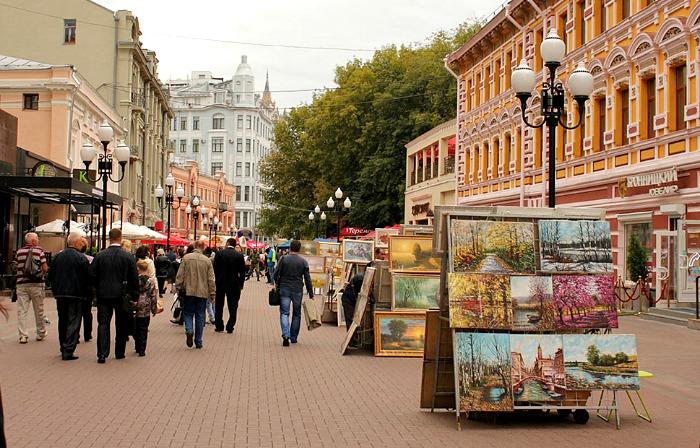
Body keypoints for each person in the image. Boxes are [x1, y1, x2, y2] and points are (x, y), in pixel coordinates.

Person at [90, 228, 139, 363]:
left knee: (103, 323)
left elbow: (92, 275)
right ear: (120, 238)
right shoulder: (128, 256)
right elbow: (134, 278)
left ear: (109, 238)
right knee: (121, 323)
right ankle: (119, 352)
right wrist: (134, 296)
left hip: (103, 294)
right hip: (122, 295)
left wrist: (96, 290)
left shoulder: (100, 255)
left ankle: (102, 353)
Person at [48, 232, 92, 361]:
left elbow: (50, 275)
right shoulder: (81, 258)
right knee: (74, 321)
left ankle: (63, 346)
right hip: (76, 294)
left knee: (63, 320)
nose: (82, 244)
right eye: (81, 242)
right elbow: (88, 277)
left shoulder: (58, 257)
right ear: (77, 243)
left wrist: (56, 288)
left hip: (60, 294)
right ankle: (68, 349)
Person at [175, 239, 216, 349]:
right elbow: (211, 279)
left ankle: (189, 330)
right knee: (200, 315)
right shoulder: (207, 261)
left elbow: (180, 275)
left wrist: (178, 287)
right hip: (202, 292)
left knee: (188, 313)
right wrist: (212, 293)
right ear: (203, 248)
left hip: (188, 291)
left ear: (194, 247)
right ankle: (198, 340)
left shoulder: (186, 258)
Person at [273, 240, 314, 347]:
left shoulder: (283, 259)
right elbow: (307, 279)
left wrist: (277, 284)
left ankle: (285, 335)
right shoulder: (303, 261)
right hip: (297, 290)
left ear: (290, 248)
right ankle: (293, 337)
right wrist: (311, 293)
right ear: (299, 249)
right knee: (297, 314)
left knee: (284, 313)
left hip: (284, 288)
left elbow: (276, 273)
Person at [14, 232, 49, 344]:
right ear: (33, 241)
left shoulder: (19, 252)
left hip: (21, 284)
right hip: (37, 284)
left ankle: (23, 335)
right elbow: (45, 267)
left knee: (22, 311)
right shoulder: (39, 251)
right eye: (37, 239)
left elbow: (16, 266)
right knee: (38, 310)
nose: (38, 240)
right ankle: (40, 333)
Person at [213, 238, 246, 333]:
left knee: (219, 305)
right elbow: (242, 272)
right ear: (235, 245)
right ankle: (230, 326)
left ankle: (219, 325)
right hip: (234, 284)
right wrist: (241, 284)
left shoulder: (219, 254)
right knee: (233, 305)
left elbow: (214, 269)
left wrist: (216, 281)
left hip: (220, 283)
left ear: (227, 243)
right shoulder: (239, 255)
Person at [133, 259, 158, 357]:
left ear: (138, 269)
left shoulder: (134, 280)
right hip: (146, 307)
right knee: (144, 328)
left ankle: (137, 346)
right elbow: (153, 296)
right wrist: (154, 308)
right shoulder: (150, 281)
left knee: (136, 328)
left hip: (136, 306)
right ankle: (142, 349)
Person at [79, 237, 94, 342]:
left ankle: (76, 335)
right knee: (87, 312)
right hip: (87, 289)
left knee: (77, 313)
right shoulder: (90, 259)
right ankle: (87, 334)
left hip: (76, 289)